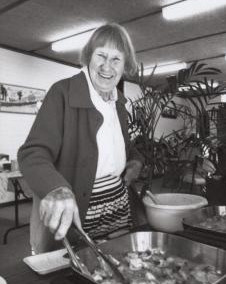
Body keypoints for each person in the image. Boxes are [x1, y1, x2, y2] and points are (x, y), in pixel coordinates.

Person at [18, 23, 144, 254]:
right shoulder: (62, 93)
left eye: (116, 59)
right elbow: (33, 153)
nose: (108, 66)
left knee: (122, 272)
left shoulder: (120, 102)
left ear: (125, 65)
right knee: (78, 280)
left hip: (118, 213)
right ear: (88, 57)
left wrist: (135, 160)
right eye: (102, 56)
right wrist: (55, 189)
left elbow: (123, 147)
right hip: (78, 219)